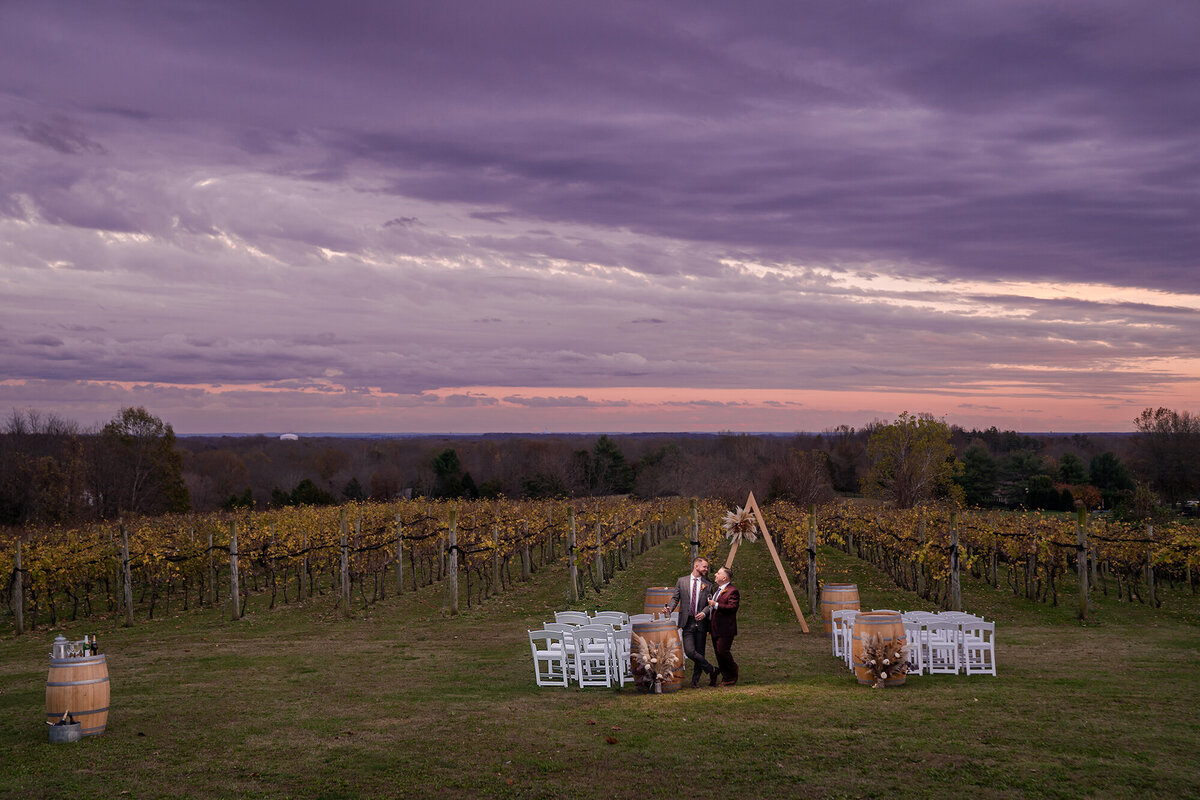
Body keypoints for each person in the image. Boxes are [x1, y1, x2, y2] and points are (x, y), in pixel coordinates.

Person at [665, 556, 719, 688]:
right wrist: (669, 609)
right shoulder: (681, 581)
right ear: (696, 566)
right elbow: (675, 598)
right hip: (687, 621)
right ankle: (712, 669)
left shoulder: (708, 585)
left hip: (701, 622)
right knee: (690, 651)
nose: (706, 569)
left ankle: (695, 681)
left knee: (700, 652)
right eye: (704, 567)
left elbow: (709, 603)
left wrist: (704, 612)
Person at [704, 565, 740, 686]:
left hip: (725, 628)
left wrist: (716, 605)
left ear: (724, 578)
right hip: (715, 627)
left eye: (718, 573)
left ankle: (733, 671)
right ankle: (726, 677)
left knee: (723, 651)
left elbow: (733, 607)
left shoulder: (732, 591)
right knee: (718, 654)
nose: (715, 575)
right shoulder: (717, 589)